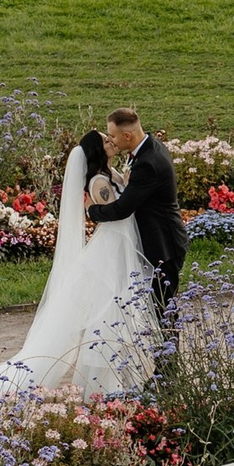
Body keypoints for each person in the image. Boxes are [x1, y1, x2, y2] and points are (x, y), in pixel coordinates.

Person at [0, 112, 164, 413]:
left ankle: (117, 379)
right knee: (107, 309)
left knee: (115, 307)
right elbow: (116, 210)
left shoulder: (113, 173)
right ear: (97, 153)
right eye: (105, 140)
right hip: (112, 249)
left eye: (110, 136)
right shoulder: (99, 180)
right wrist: (95, 210)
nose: (110, 141)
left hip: (120, 248)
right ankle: (105, 384)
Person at [85, 109, 187, 322]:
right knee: (157, 307)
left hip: (163, 245)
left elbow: (122, 209)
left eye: (112, 136)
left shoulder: (148, 163)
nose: (111, 141)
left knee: (163, 309)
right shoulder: (150, 148)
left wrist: (91, 211)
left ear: (127, 136)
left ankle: (168, 355)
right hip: (159, 240)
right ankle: (165, 353)